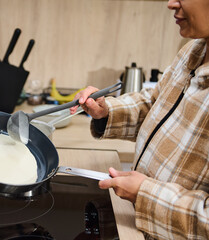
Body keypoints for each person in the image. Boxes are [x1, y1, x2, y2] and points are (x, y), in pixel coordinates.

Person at [70, 0, 209, 239]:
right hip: (139, 226)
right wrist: (106, 110)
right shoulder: (193, 50)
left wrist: (145, 194)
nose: (171, 3)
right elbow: (156, 104)